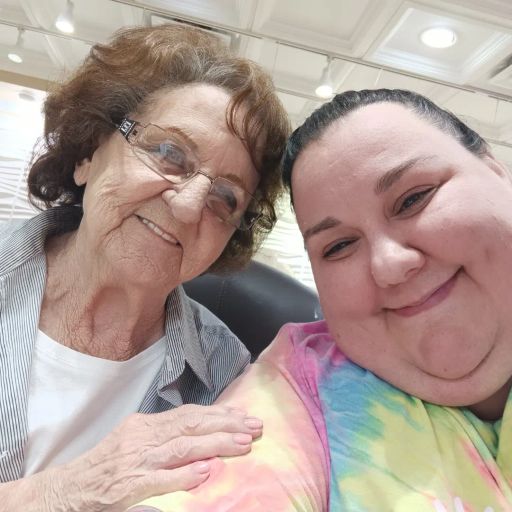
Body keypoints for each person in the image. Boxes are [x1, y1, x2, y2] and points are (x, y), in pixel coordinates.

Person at [131, 88, 512, 512]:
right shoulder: (303, 384)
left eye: (413, 199)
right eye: (339, 246)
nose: (389, 264)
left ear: (496, 170)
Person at [0, 23, 290, 511]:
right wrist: (57, 493)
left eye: (226, 197)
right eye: (169, 153)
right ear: (89, 153)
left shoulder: (227, 376)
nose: (188, 206)